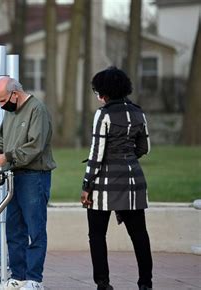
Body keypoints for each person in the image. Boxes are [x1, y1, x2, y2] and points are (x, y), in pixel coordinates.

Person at [80, 67, 153, 290]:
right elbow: (145, 147)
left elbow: (96, 154)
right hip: (134, 180)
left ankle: (103, 283)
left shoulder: (103, 115)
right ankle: (145, 283)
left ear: (104, 92)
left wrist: (86, 185)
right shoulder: (139, 113)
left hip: (104, 183)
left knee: (97, 235)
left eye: (97, 92)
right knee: (139, 234)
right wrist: (127, 157)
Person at [0, 76, 56, 290]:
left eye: (2, 100)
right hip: (14, 176)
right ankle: (18, 276)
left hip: (35, 177)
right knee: (14, 229)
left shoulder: (37, 110)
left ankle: (34, 279)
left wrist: (5, 157)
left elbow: (35, 146)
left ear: (15, 94)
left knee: (35, 228)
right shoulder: (10, 111)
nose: (0, 105)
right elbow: (1, 138)